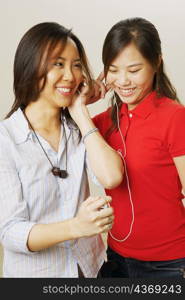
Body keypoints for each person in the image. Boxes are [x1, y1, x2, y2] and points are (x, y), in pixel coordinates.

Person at [0, 22, 124, 278]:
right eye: (58, 63)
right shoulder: (6, 139)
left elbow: (111, 177)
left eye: (76, 65)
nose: (70, 75)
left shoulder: (77, 130)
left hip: (91, 270)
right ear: (30, 66)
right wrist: (76, 227)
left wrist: (80, 110)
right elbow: (11, 232)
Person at [93, 17, 185, 278]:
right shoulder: (100, 124)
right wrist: (81, 102)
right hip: (114, 258)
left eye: (134, 70)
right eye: (113, 69)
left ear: (157, 62)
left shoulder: (176, 118)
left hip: (169, 264)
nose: (123, 81)